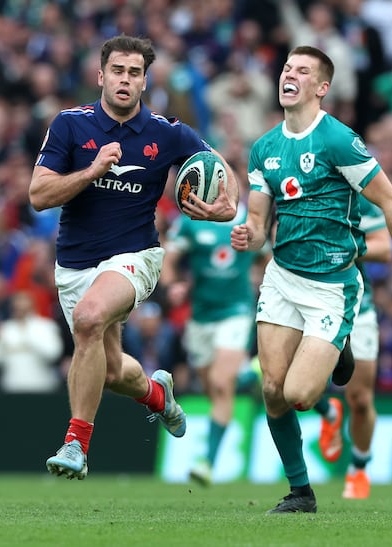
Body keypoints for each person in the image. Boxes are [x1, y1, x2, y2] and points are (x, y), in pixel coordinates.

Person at [28, 35, 239, 481]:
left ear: (145, 81)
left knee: (88, 319)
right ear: (101, 76)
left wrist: (227, 204)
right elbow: (38, 195)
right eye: (118, 71)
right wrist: (91, 171)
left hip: (135, 256)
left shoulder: (167, 132)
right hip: (74, 264)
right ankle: (156, 395)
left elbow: (219, 166)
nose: (126, 80)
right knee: (110, 371)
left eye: (135, 73)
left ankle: (76, 444)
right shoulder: (70, 125)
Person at [230, 45, 392, 513]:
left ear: (322, 89)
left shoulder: (338, 140)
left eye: (302, 71)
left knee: (300, 396)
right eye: (285, 68)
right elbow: (260, 225)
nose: (288, 75)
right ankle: (301, 492)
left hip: (332, 286)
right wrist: (248, 233)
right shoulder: (264, 148)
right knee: (273, 392)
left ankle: (339, 353)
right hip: (281, 277)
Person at [159, 190, 267, 486]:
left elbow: (267, 256)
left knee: (221, 383)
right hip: (201, 316)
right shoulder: (192, 221)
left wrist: (264, 282)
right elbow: (169, 257)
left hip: (236, 310)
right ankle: (250, 375)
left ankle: (207, 462)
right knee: (213, 388)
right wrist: (172, 287)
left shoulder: (249, 219)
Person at [312, 196, 392, 500]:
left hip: (358, 306)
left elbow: (385, 249)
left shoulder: (362, 200)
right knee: (287, 380)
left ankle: (359, 467)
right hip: (312, 302)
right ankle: (328, 412)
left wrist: (343, 248)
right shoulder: (303, 190)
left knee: (359, 398)